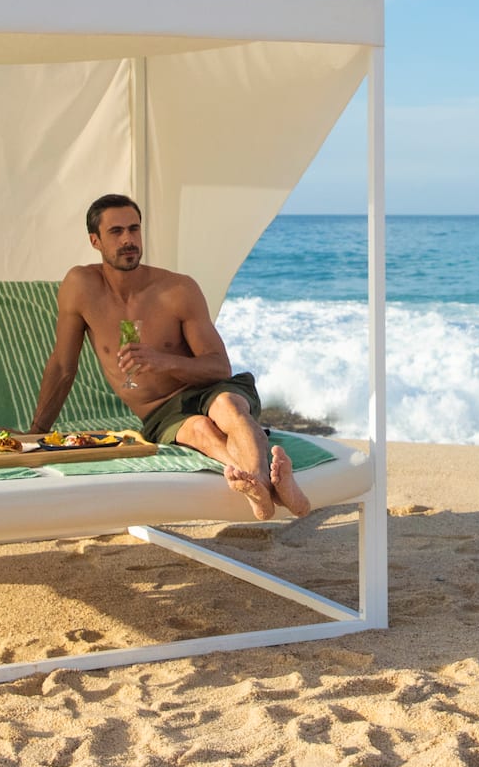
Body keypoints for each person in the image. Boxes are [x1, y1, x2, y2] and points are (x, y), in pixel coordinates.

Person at [28, 193, 309, 521]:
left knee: (229, 409)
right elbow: (63, 366)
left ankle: (261, 486)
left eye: (134, 229)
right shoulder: (81, 287)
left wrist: (164, 361)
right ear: (95, 240)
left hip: (209, 386)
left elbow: (219, 366)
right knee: (201, 431)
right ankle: (277, 487)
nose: (129, 239)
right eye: (116, 232)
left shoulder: (177, 289)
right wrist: (36, 432)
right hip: (161, 412)